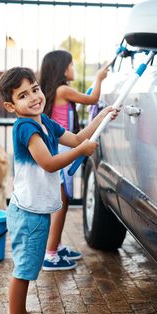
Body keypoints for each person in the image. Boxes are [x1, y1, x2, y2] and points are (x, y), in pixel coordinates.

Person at [0, 67, 117, 314]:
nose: (34, 97)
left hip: (36, 210)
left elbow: (75, 138)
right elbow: (49, 163)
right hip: (27, 212)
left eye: (35, 89)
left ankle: (21, 312)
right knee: (23, 270)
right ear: (11, 106)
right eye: (23, 95)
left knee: (29, 267)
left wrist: (101, 117)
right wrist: (80, 152)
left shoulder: (44, 122)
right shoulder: (26, 127)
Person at [39, 50, 108, 271]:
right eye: (71, 65)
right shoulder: (63, 90)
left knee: (64, 200)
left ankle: (56, 246)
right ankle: (50, 254)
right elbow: (93, 99)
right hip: (63, 148)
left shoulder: (58, 91)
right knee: (61, 202)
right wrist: (98, 78)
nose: (73, 68)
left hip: (63, 146)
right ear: (61, 69)